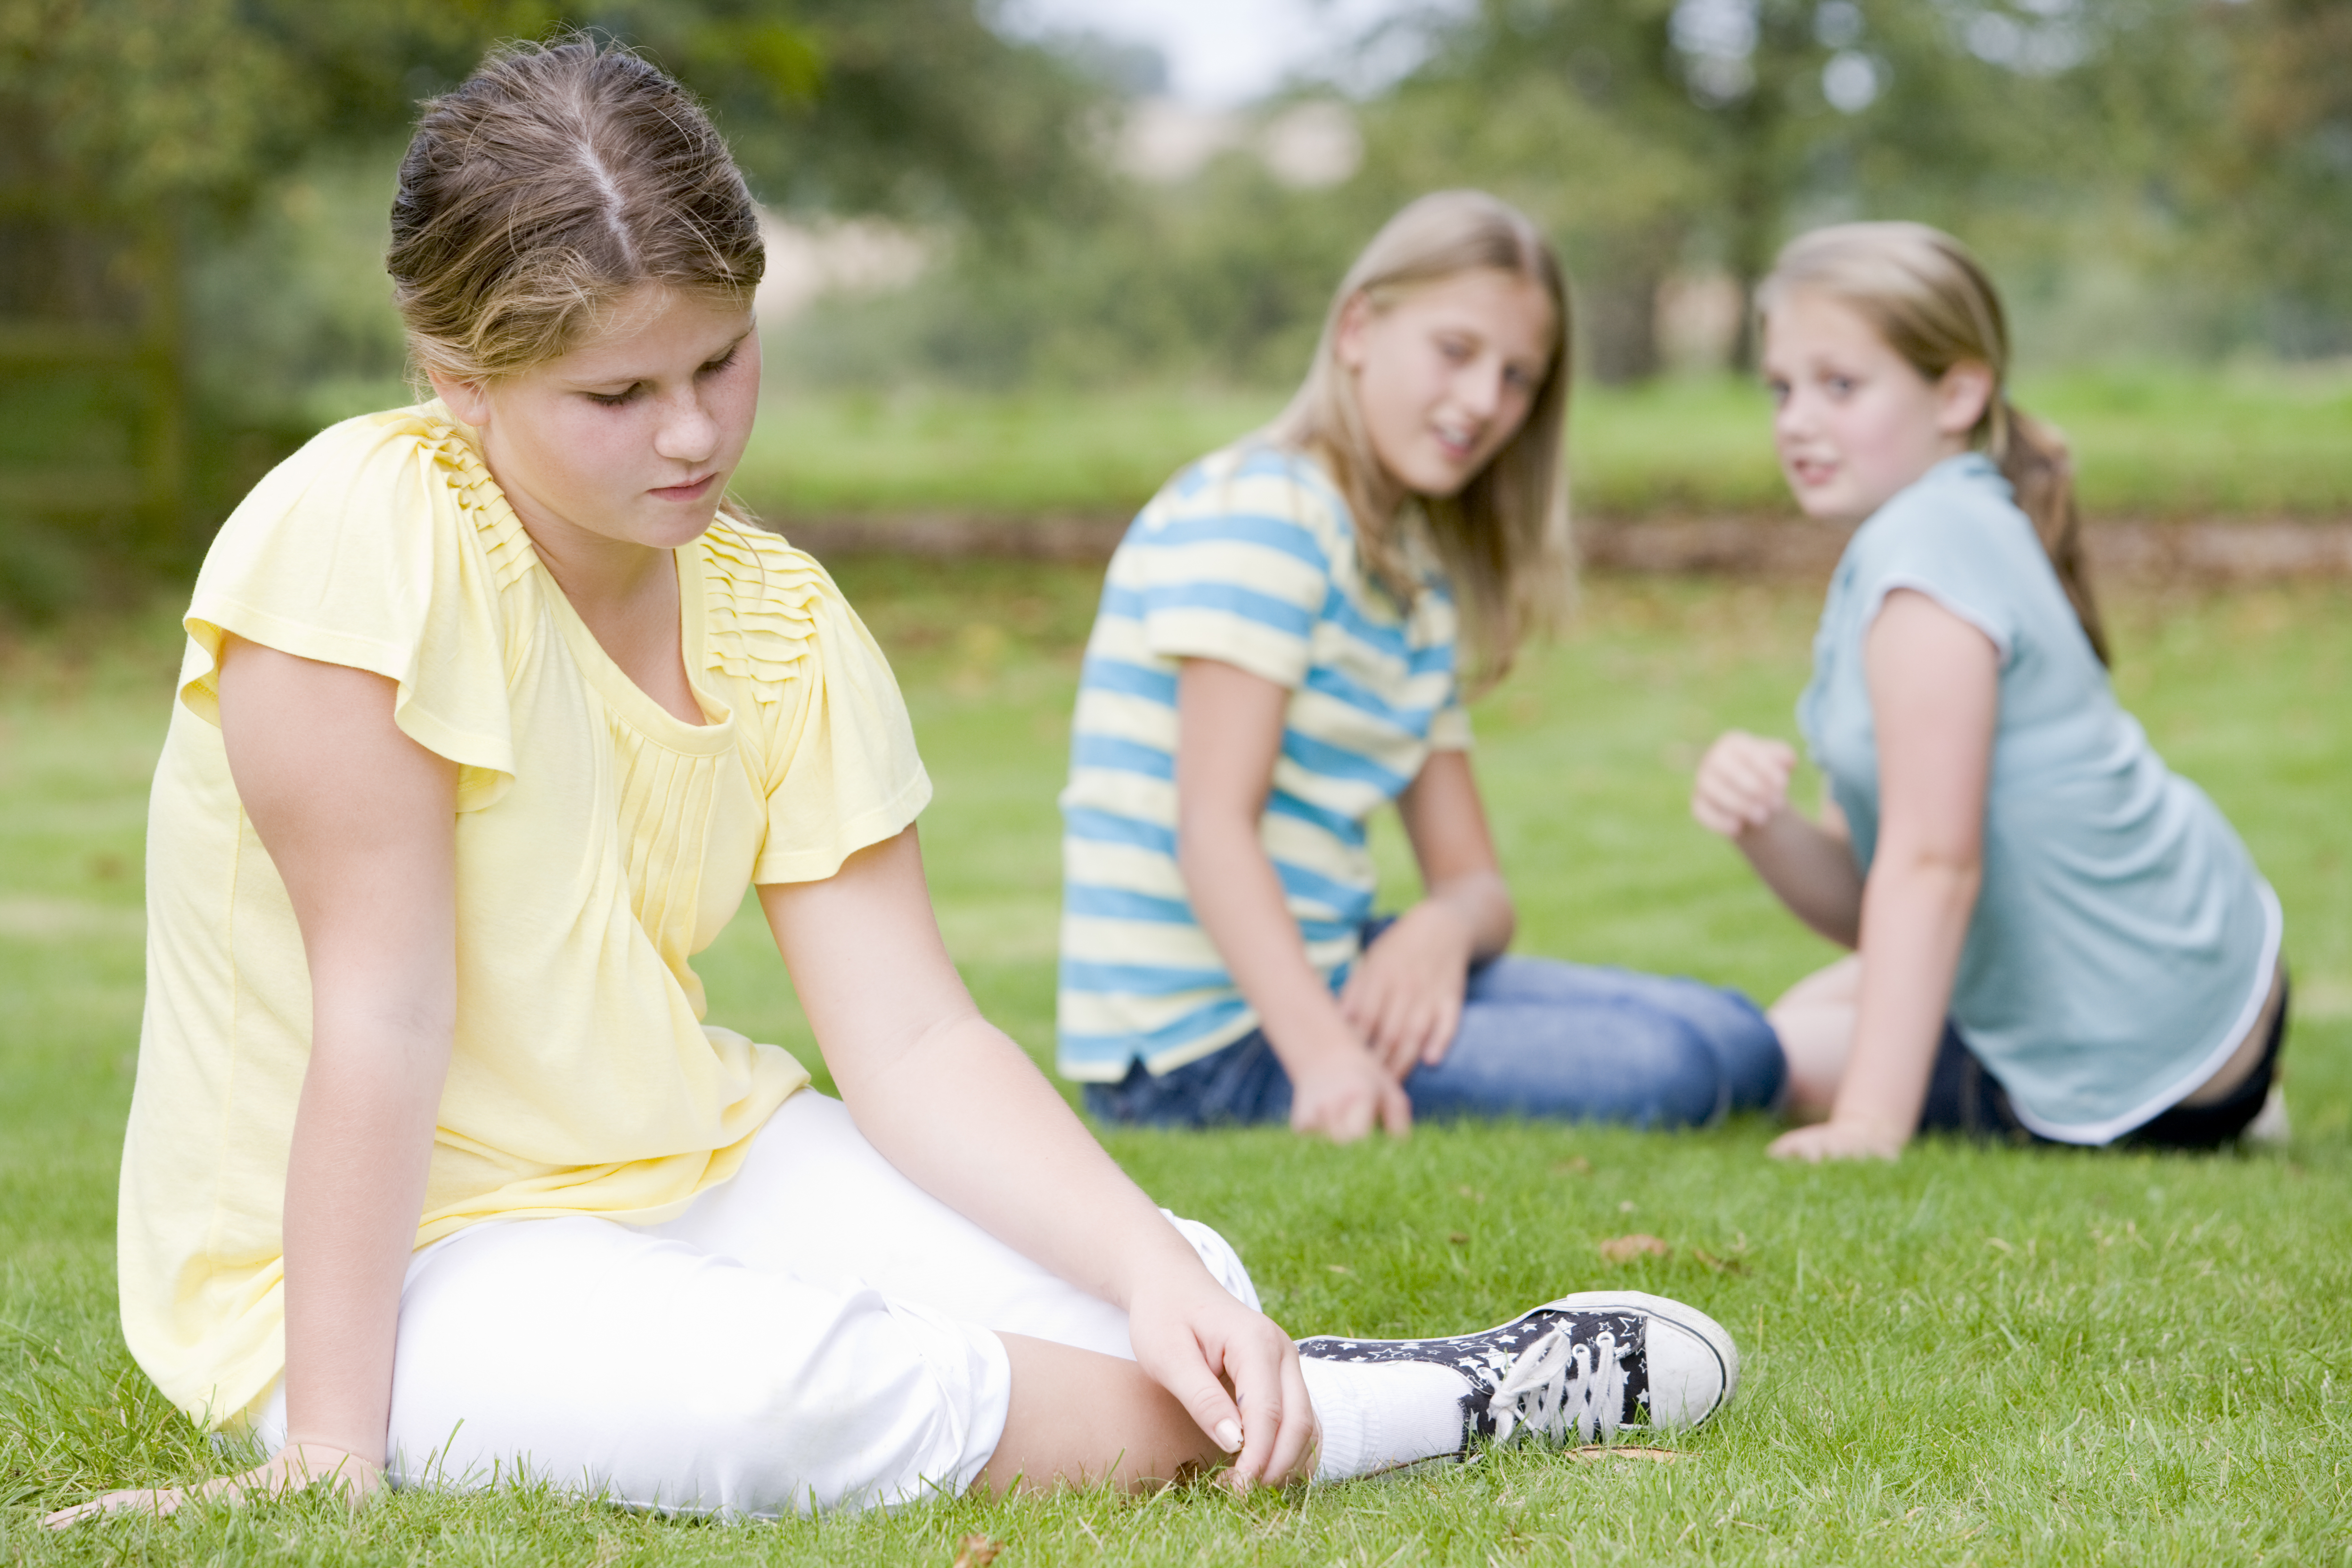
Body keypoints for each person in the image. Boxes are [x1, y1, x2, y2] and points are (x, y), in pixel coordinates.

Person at [44, 42, 1741, 1528]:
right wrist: (331, 1446)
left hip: (695, 1162)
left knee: (1182, 1281)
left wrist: (1141, 1259)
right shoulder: (360, 538)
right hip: (386, 1264)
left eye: (721, 360)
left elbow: (916, 1036)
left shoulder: (777, 611)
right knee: (780, 1404)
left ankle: (1205, 1371)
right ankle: (1429, 1397)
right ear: (453, 371)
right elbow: (383, 1009)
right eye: (615, 396)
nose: (692, 435)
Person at [1056, 191, 1785, 1143]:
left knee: (1736, 1036)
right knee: (1676, 1068)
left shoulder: (1406, 570)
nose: (1485, 402)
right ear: (1359, 326)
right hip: (1203, 1049)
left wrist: (1435, 930)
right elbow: (1211, 827)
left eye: (1519, 376)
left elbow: (1478, 884)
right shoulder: (1263, 514)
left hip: (1331, 967)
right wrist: (1326, 1058)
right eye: (1456, 350)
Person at [1691, 221, 2287, 1163]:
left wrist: (1867, 1123)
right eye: (1782, 387)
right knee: (1805, 1009)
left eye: (1839, 385)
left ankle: (2203, 1096)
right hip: (2215, 973)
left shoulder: (1928, 549)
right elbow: (1870, 890)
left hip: (2148, 1044)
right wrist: (1759, 820)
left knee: (1782, 1054)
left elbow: (1933, 865)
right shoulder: (1933, 529)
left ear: (1958, 391)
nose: (1797, 419)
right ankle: (2237, 1087)